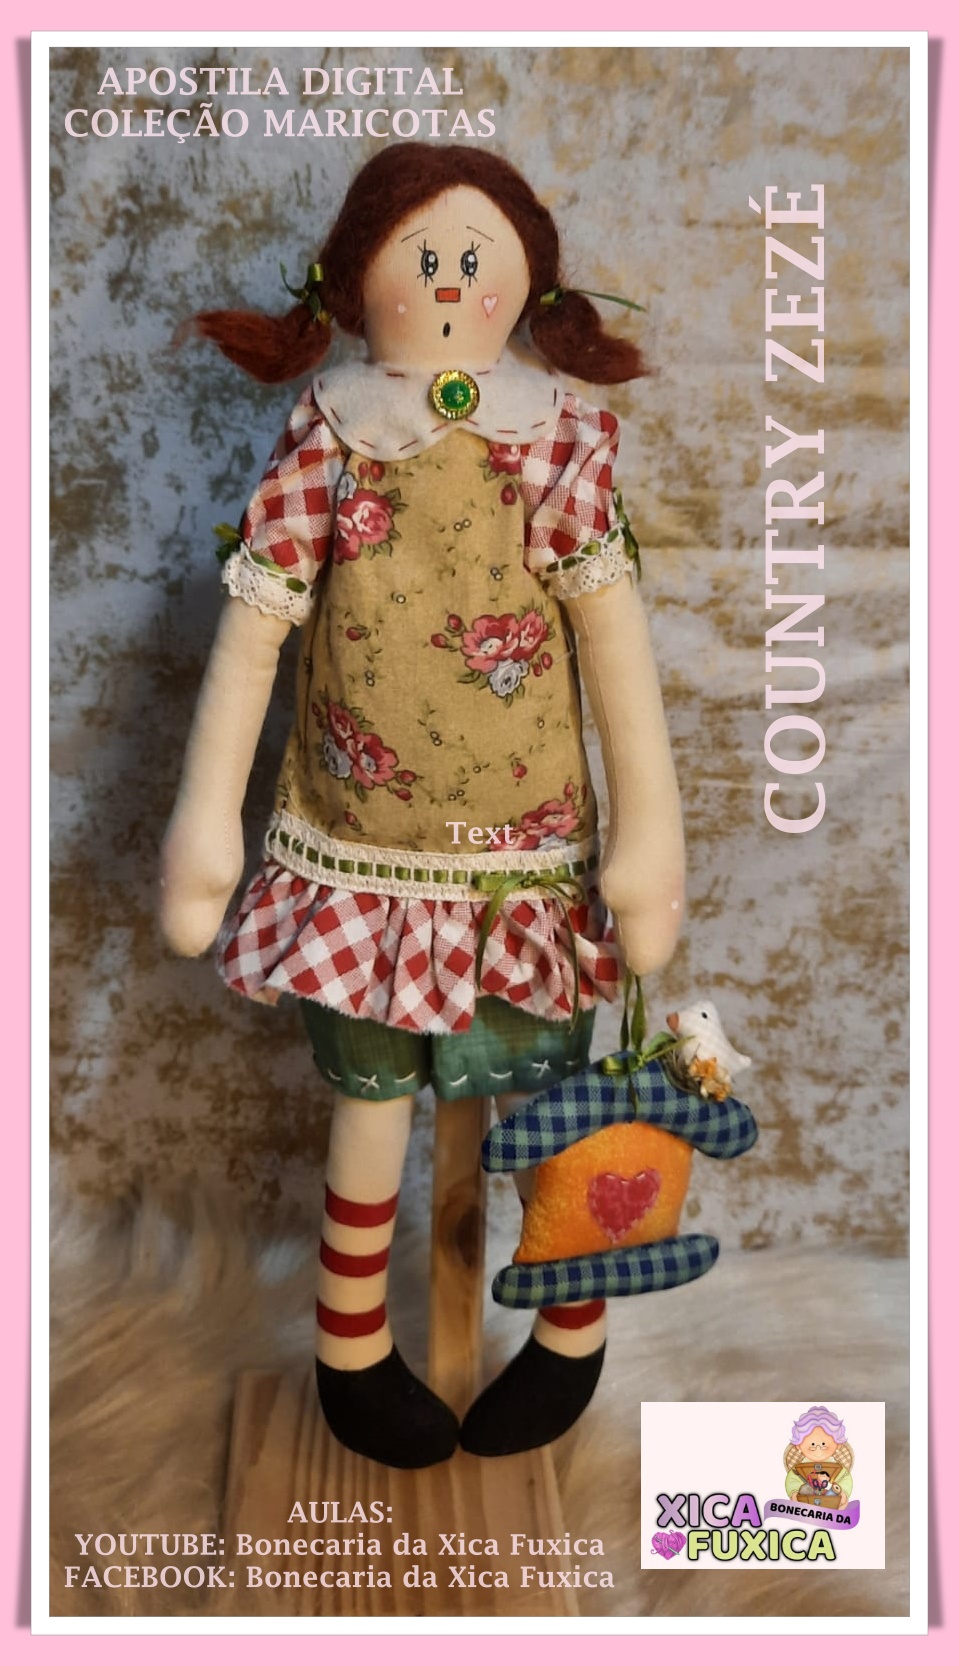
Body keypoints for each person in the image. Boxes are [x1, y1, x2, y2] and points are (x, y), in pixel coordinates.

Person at [160, 143, 685, 1467]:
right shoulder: (328, 436)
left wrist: (648, 840)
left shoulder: (558, 443)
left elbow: (614, 642)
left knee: (547, 1111)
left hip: (527, 861)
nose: (450, 282)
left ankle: (569, 1334)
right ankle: (350, 1348)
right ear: (354, 284)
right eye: (424, 259)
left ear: (528, 287)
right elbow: (255, 629)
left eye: (472, 261)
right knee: (370, 1102)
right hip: (358, 857)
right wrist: (208, 830)